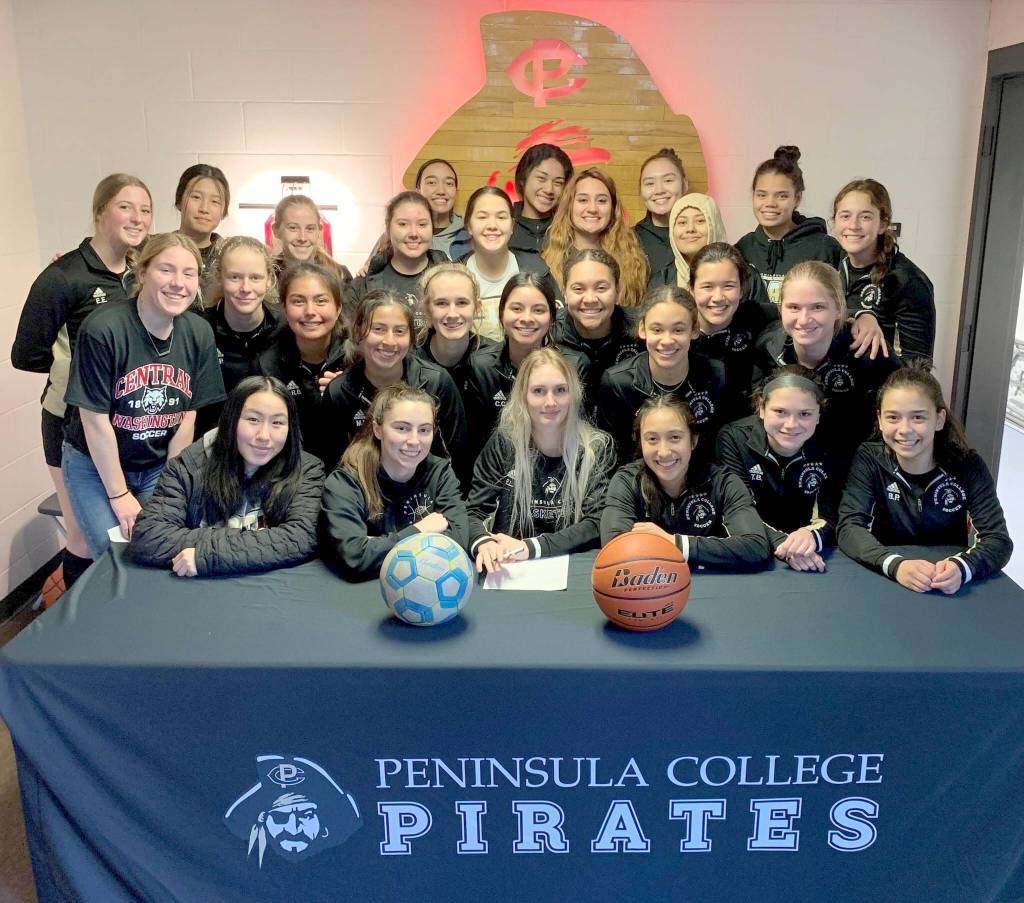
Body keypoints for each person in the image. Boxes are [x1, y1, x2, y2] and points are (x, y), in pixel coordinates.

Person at [11, 173, 153, 588]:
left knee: (130, 535)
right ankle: (75, 631)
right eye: (126, 206)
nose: (137, 217)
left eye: (145, 210)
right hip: (69, 425)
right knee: (86, 538)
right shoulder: (63, 276)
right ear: (99, 212)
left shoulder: (139, 275)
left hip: (125, 426)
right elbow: (27, 354)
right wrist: (82, 377)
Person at [60, 233, 225, 559]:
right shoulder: (104, 328)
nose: (178, 283)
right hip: (96, 466)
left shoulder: (198, 332)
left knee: (163, 545)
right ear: (142, 272)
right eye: (166, 270)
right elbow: (93, 421)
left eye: (189, 273)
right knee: (115, 556)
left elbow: (186, 417)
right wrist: (119, 494)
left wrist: (169, 489)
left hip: (155, 465)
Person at [838, 362, 1012, 592]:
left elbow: (998, 540)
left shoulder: (967, 465)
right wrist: (895, 564)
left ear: (939, 420)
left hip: (945, 581)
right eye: (893, 417)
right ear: (879, 419)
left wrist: (962, 567)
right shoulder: (870, 458)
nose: (905, 429)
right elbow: (849, 527)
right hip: (888, 578)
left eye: (918, 418)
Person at [128, 376, 325, 576]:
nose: (264, 436)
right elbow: (149, 536)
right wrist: (259, 541)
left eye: (277, 422)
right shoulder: (189, 465)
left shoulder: (307, 469)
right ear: (231, 420)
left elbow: (301, 537)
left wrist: (210, 555)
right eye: (253, 420)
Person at [467, 347, 615, 573]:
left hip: (574, 569)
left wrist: (532, 547)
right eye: (538, 391)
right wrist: (482, 542)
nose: (550, 402)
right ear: (523, 396)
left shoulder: (596, 447)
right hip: (509, 568)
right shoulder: (504, 442)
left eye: (560, 390)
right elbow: (474, 512)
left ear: (573, 393)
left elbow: (596, 522)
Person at [751, 261, 899, 466]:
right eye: (793, 307)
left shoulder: (867, 350)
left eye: (818, 307)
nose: (804, 319)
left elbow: (903, 410)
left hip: (854, 465)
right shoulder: (768, 346)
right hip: (792, 466)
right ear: (780, 309)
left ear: (839, 309)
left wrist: (864, 314)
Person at [319, 383, 469, 581]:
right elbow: (355, 558)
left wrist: (375, 545)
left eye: (424, 430)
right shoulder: (347, 480)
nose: (414, 440)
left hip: (423, 585)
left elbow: (459, 541)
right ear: (378, 429)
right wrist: (421, 530)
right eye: (402, 428)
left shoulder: (440, 473)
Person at [601, 396, 770, 568]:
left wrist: (676, 544)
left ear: (693, 440)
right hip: (654, 589)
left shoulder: (723, 482)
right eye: (652, 439)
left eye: (674, 437)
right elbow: (614, 546)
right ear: (641, 443)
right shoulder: (627, 480)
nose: (664, 452)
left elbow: (755, 546)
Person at [322, 290, 468, 477]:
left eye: (399, 331)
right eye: (378, 329)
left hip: (427, 496)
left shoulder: (436, 382)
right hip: (364, 495)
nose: (389, 341)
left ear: (411, 337)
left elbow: (459, 459)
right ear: (359, 332)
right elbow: (333, 466)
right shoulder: (339, 391)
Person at [716, 366, 839, 572]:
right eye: (780, 411)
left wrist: (812, 536)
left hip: (809, 548)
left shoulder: (831, 446)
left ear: (819, 414)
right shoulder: (734, 438)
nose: (791, 425)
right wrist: (786, 545)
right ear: (761, 408)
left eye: (805, 414)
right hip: (753, 546)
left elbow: (833, 512)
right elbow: (738, 510)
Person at [464, 273, 589, 456]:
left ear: (552, 318)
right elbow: (477, 440)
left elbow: (580, 433)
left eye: (538, 310)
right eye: (516, 308)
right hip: (498, 466)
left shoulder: (575, 365)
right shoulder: (481, 367)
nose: (527, 318)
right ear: (501, 313)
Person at [599, 286, 726, 463]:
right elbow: (615, 454)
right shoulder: (618, 383)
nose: (667, 340)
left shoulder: (717, 376)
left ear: (695, 329)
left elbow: (721, 447)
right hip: (639, 479)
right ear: (642, 329)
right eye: (657, 330)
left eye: (678, 330)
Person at [833, 178, 935, 360]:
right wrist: (859, 315)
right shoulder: (832, 266)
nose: (853, 225)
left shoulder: (906, 280)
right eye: (845, 216)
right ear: (834, 222)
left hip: (883, 386)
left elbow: (917, 366)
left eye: (865, 217)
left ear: (882, 224)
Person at [256, 262, 346, 466]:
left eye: (321, 301)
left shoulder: (359, 359)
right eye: (298, 301)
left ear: (338, 308)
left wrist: (347, 392)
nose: (310, 311)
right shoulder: (268, 364)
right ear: (285, 309)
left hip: (349, 471)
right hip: (288, 469)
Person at [735, 146, 842, 304]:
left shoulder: (824, 248)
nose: (770, 203)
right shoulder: (743, 249)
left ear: (797, 198)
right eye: (761, 195)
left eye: (781, 196)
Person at [456, 186, 560, 339]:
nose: (492, 225)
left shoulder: (537, 270)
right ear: (469, 225)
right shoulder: (455, 274)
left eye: (501, 217)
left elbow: (557, 325)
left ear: (512, 226)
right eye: (482, 217)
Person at [688, 242, 778, 416]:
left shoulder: (754, 315)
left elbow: (799, 309)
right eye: (707, 287)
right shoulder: (677, 325)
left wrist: (848, 321)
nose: (718, 297)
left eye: (728, 286)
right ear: (691, 289)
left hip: (741, 431)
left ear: (742, 289)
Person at [542, 168, 649, 306]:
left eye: (601, 201)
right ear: (569, 206)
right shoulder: (546, 264)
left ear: (613, 208)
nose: (592, 208)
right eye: (583, 200)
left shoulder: (633, 263)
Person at [346, 191, 448, 327]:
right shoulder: (363, 285)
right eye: (403, 224)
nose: (413, 233)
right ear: (388, 227)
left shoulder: (453, 278)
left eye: (422, 224)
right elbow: (349, 341)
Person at [554, 248, 642, 398]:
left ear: (617, 290)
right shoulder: (549, 333)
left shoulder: (641, 330)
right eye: (578, 289)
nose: (590, 299)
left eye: (601, 288)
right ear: (564, 293)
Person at [204, 235, 282, 396]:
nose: (245, 288)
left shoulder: (287, 327)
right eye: (235, 277)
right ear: (219, 277)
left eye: (255, 277)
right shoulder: (201, 329)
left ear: (268, 279)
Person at [412, 262, 495, 397]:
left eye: (462, 303)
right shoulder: (410, 360)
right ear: (427, 310)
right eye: (441, 303)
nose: (452, 314)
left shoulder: (494, 360)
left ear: (477, 307)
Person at [509, 143, 574, 254]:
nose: (549, 189)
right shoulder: (502, 224)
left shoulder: (571, 229)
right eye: (541, 178)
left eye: (558, 183)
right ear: (523, 179)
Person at [270, 194, 350, 283]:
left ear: (319, 231)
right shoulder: (266, 277)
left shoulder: (340, 275)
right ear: (276, 230)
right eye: (293, 228)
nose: (302, 238)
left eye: (310, 228)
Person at [635, 148, 687, 275]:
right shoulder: (629, 240)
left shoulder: (701, 235)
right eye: (649, 183)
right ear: (640, 190)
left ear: (684, 185)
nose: (659, 190)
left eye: (668, 180)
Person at [174, 163, 230, 271]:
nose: (204, 209)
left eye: (215, 201)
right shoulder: (156, 250)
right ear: (179, 201)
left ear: (224, 211)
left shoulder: (230, 259)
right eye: (196, 197)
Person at [414, 158, 464, 256]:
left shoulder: (470, 235)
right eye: (431, 182)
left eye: (449, 183)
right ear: (418, 190)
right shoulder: (401, 233)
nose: (441, 191)